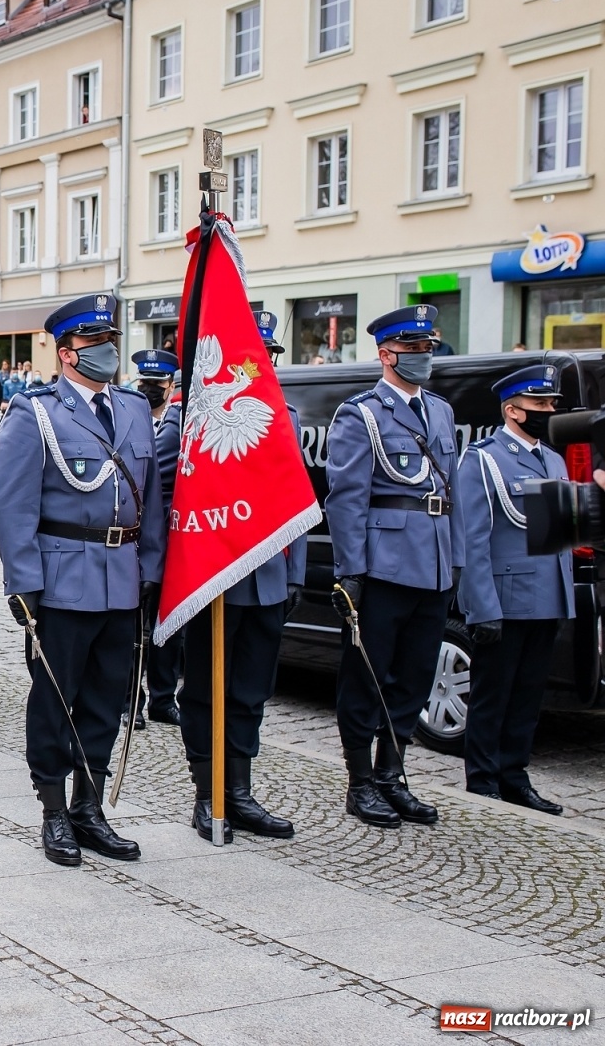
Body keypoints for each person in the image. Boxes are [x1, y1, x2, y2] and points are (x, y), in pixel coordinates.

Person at [0, 293, 163, 867]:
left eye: (111, 342)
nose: (108, 352)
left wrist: (152, 570)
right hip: (63, 580)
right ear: (67, 354)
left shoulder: (135, 409)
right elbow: (12, 505)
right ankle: (54, 810)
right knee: (56, 700)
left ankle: (91, 807)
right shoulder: (34, 413)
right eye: (95, 344)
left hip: (121, 579)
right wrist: (24, 584)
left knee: (106, 698)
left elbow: (152, 501)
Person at [326, 304, 463, 829]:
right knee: (368, 678)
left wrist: (454, 562)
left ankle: (391, 775)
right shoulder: (360, 414)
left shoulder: (442, 412)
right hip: (383, 567)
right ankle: (361, 782)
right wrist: (350, 572)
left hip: (431, 565)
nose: (423, 358)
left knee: (413, 679)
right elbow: (347, 499)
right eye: (413, 350)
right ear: (386, 355)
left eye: (428, 349)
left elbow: (451, 494)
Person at [172, 313, 304, 842]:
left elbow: (296, 499)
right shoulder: (190, 418)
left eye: (269, 356)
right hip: (213, 577)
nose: (263, 364)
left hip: (267, 576)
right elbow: (170, 496)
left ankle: (240, 792)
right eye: (256, 354)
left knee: (250, 691)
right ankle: (208, 794)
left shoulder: (284, 416)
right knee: (205, 690)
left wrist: (294, 572)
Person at [458, 364, 572, 815]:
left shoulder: (554, 459)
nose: (548, 411)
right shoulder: (484, 459)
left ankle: (515, 776)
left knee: (527, 696)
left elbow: (560, 533)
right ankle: (483, 780)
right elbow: (474, 539)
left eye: (551, 405)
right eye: (539, 404)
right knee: (493, 695)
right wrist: (481, 607)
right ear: (512, 410)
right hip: (505, 600)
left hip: (545, 596)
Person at [131, 348, 183, 729]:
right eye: (144, 383)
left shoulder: (180, 420)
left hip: (177, 534)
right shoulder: (130, 420)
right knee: (136, 625)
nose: (150, 390)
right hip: (142, 533)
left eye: (157, 384)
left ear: (170, 386)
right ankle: (130, 699)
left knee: (170, 626)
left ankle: (163, 699)